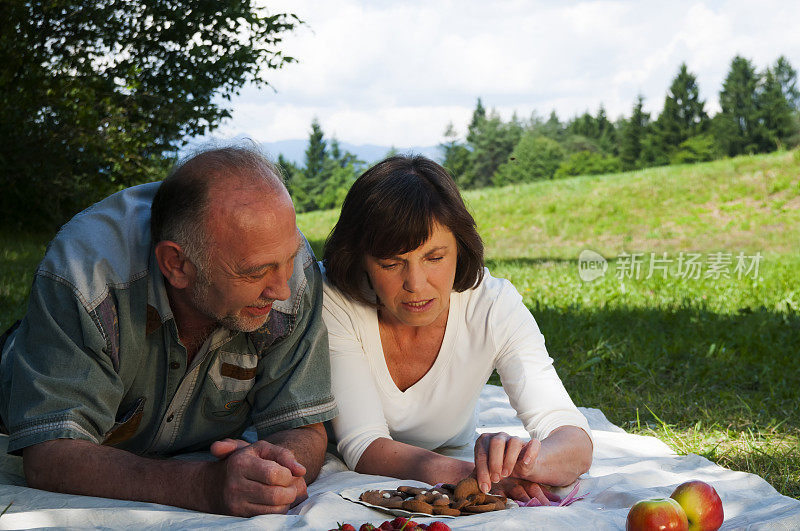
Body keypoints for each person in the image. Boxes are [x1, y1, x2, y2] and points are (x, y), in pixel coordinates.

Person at [0, 146, 338, 516]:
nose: (282, 289)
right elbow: (50, 455)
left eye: (287, 260)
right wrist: (203, 485)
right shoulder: (85, 277)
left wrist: (275, 470)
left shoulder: (294, 270)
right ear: (176, 264)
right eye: (255, 273)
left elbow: (302, 425)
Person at [321, 155, 593, 505]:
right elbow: (363, 445)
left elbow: (571, 435)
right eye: (391, 263)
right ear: (360, 259)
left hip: (452, 453)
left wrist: (527, 463)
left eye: (434, 257)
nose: (416, 285)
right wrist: (473, 476)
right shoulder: (334, 298)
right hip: (340, 464)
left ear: (460, 248)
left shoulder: (494, 306)